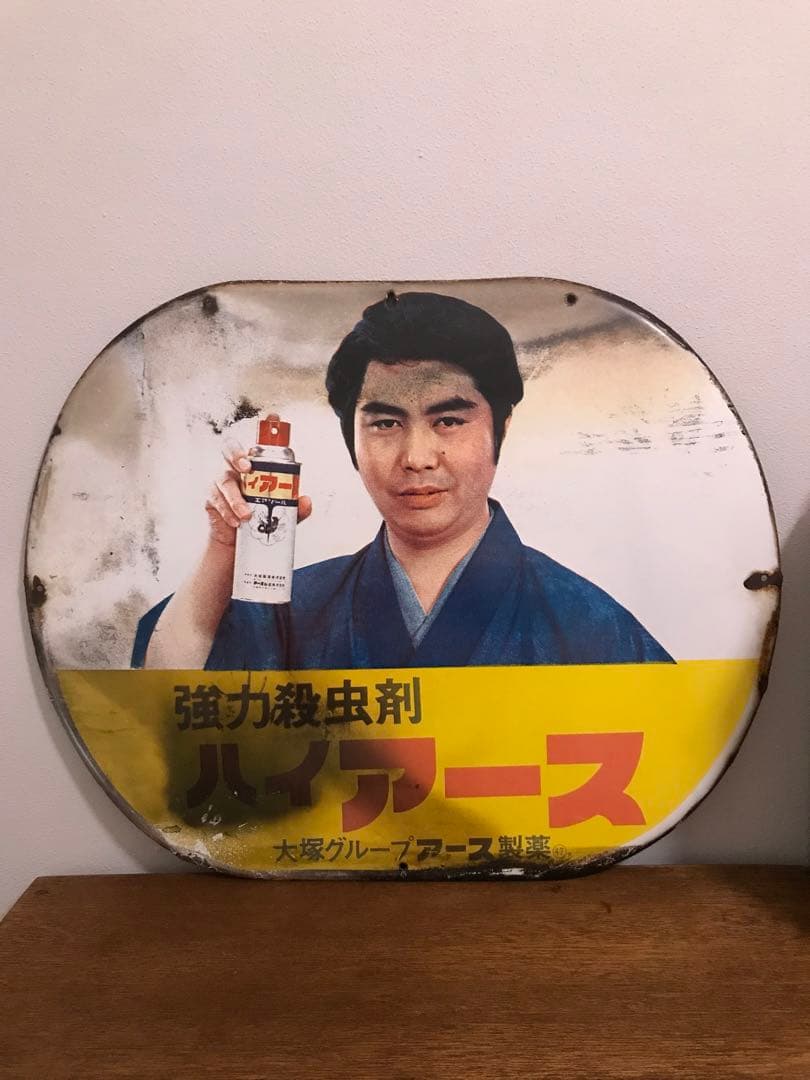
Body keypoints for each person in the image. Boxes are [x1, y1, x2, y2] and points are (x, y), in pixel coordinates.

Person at [133, 291, 672, 669]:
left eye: (449, 421)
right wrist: (227, 547)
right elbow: (162, 701)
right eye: (386, 424)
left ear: (500, 429)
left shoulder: (588, 622)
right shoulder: (295, 610)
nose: (416, 457)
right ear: (352, 440)